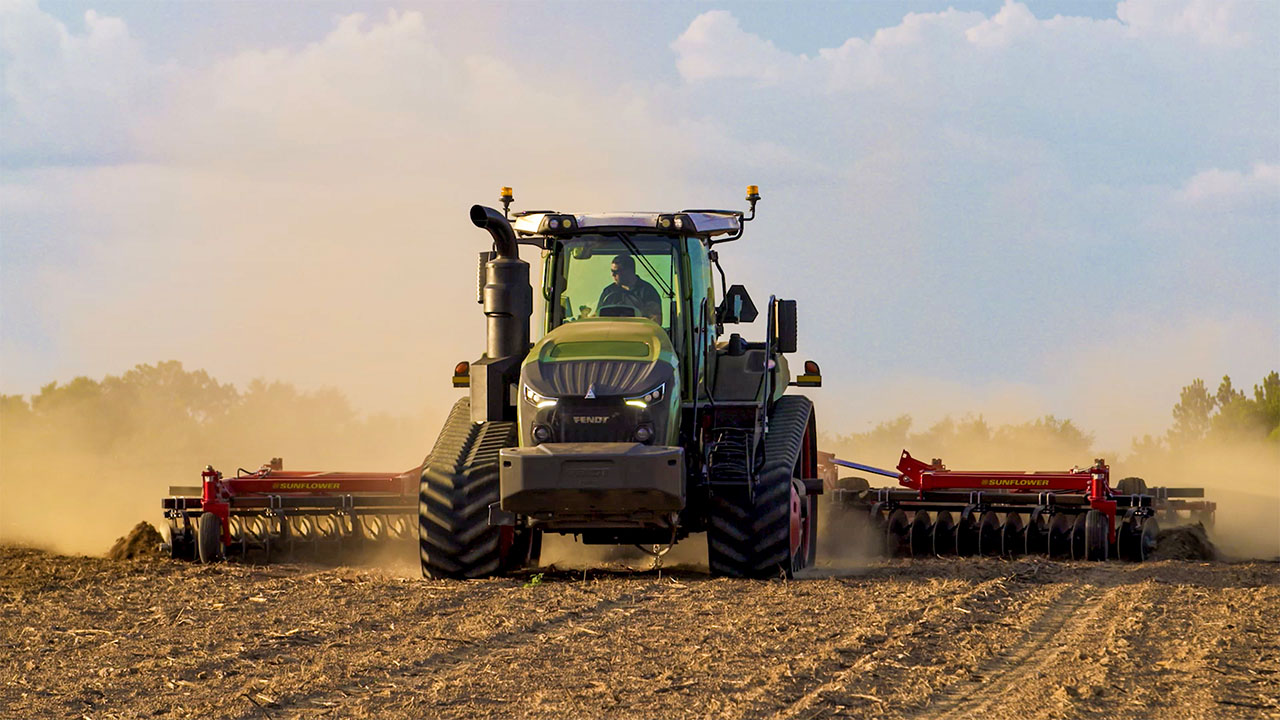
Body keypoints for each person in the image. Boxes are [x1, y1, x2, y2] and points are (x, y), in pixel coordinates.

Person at [597, 253, 662, 323]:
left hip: (639, 332)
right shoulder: (608, 291)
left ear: (629, 271)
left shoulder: (648, 291)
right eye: (612, 271)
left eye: (616, 271)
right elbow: (597, 317)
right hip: (611, 332)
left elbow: (656, 320)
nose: (612, 275)